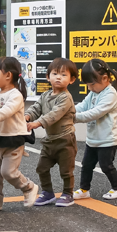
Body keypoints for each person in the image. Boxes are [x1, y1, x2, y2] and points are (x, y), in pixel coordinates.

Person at [0, 57, 40, 211]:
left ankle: (29, 187)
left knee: (9, 172)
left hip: (14, 139)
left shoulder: (16, 95)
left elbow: (6, 111)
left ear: (8, 75)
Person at [25, 58, 78, 207]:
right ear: (48, 77)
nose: (59, 77)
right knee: (41, 168)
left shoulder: (66, 97)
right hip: (49, 140)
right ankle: (48, 193)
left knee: (66, 171)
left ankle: (68, 194)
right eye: (55, 73)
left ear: (71, 80)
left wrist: (37, 123)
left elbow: (55, 114)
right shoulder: (45, 96)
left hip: (65, 139)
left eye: (63, 75)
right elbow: (36, 108)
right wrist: (27, 116)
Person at [73, 59, 117, 200]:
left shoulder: (110, 94)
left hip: (107, 140)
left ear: (104, 78)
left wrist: (72, 118)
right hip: (93, 139)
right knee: (86, 165)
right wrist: (69, 111)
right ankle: (84, 189)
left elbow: (94, 113)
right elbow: (83, 106)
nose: (90, 88)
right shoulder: (94, 93)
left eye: (92, 84)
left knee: (106, 166)